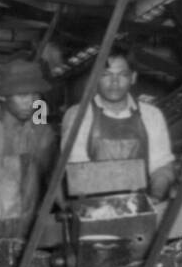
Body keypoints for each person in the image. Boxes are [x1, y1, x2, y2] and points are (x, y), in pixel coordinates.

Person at [64, 43, 175, 200]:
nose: (114, 82)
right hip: (93, 208)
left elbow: (161, 166)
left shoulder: (151, 115)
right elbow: (78, 173)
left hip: (141, 203)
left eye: (122, 75)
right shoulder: (78, 115)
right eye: (106, 75)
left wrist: (155, 196)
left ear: (133, 77)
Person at [0, 60, 59, 228]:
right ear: (4, 96)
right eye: (22, 95)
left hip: (34, 230)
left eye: (34, 95)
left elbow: (53, 180)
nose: (30, 102)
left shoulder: (42, 130)